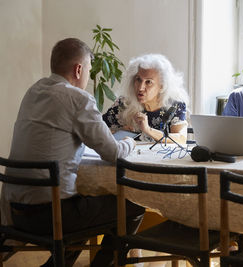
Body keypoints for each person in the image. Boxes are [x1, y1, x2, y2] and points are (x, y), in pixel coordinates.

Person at [0, 38, 145, 267]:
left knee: (85, 204)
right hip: (50, 216)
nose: (88, 75)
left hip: (14, 212)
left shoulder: (33, 91)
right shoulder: (78, 98)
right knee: (133, 205)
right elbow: (113, 153)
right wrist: (130, 142)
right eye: (88, 69)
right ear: (79, 69)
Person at [103, 53, 189, 145]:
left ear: (162, 86)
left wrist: (148, 130)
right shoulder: (124, 103)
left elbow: (181, 138)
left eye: (148, 82)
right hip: (130, 157)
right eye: (138, 80)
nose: (140, 88)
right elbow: (95, 129)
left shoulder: (175, 105)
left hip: (162, 158)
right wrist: (118, 131)